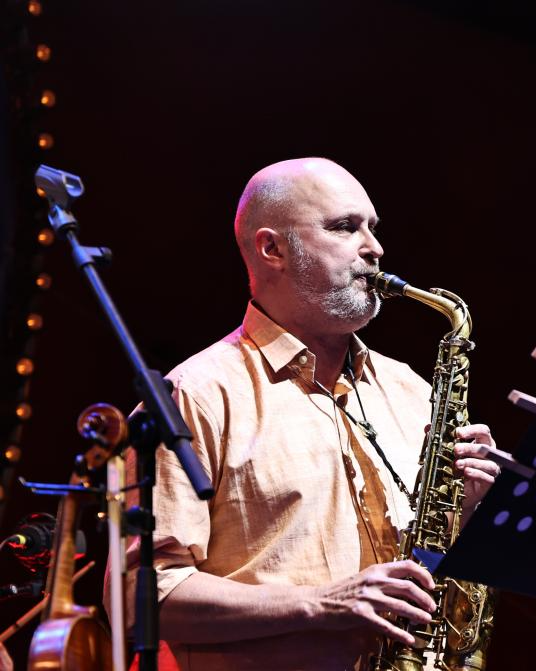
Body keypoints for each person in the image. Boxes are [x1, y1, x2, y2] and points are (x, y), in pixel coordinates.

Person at [107, 158, 501, 671]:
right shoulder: (194, 396)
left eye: (373, 227)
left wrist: (465, 515)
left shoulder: (411, 391)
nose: (374, 248)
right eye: (344, 227)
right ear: (272, 249)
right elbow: (137, 600)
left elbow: (436, 579)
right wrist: (321, 603)